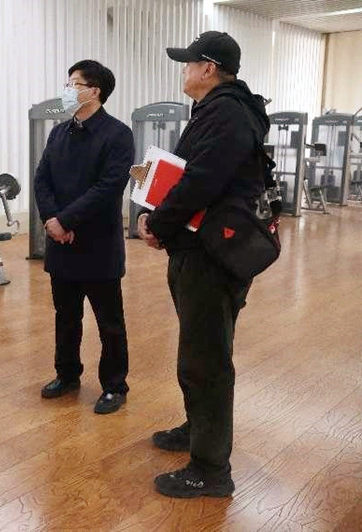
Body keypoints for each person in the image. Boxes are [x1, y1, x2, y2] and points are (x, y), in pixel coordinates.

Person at [137, 31, 270, 498]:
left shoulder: (226, 112)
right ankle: (198, 429)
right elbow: (188, 176)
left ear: (208, 68)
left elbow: (199, 182)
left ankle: (211, 469)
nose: (184, 69)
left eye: (189, 62)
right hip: (200, 248)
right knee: (200, 350)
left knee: (206, 360)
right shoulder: (221, 110)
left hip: (211, 256)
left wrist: (159, 223)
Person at [34, 60, 134, 415]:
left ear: (95, 91)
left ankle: (114, 385)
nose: (67, 90)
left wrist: (66, 219)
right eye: (68, 83)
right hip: (61, 243)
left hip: (98, 244)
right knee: (66, 315)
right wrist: (51, 220)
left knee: (109, 321)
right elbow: (42, 179)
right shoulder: (59, 133)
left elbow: (109, 187)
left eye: (74, 84)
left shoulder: (117, 134)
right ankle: (67, 375)